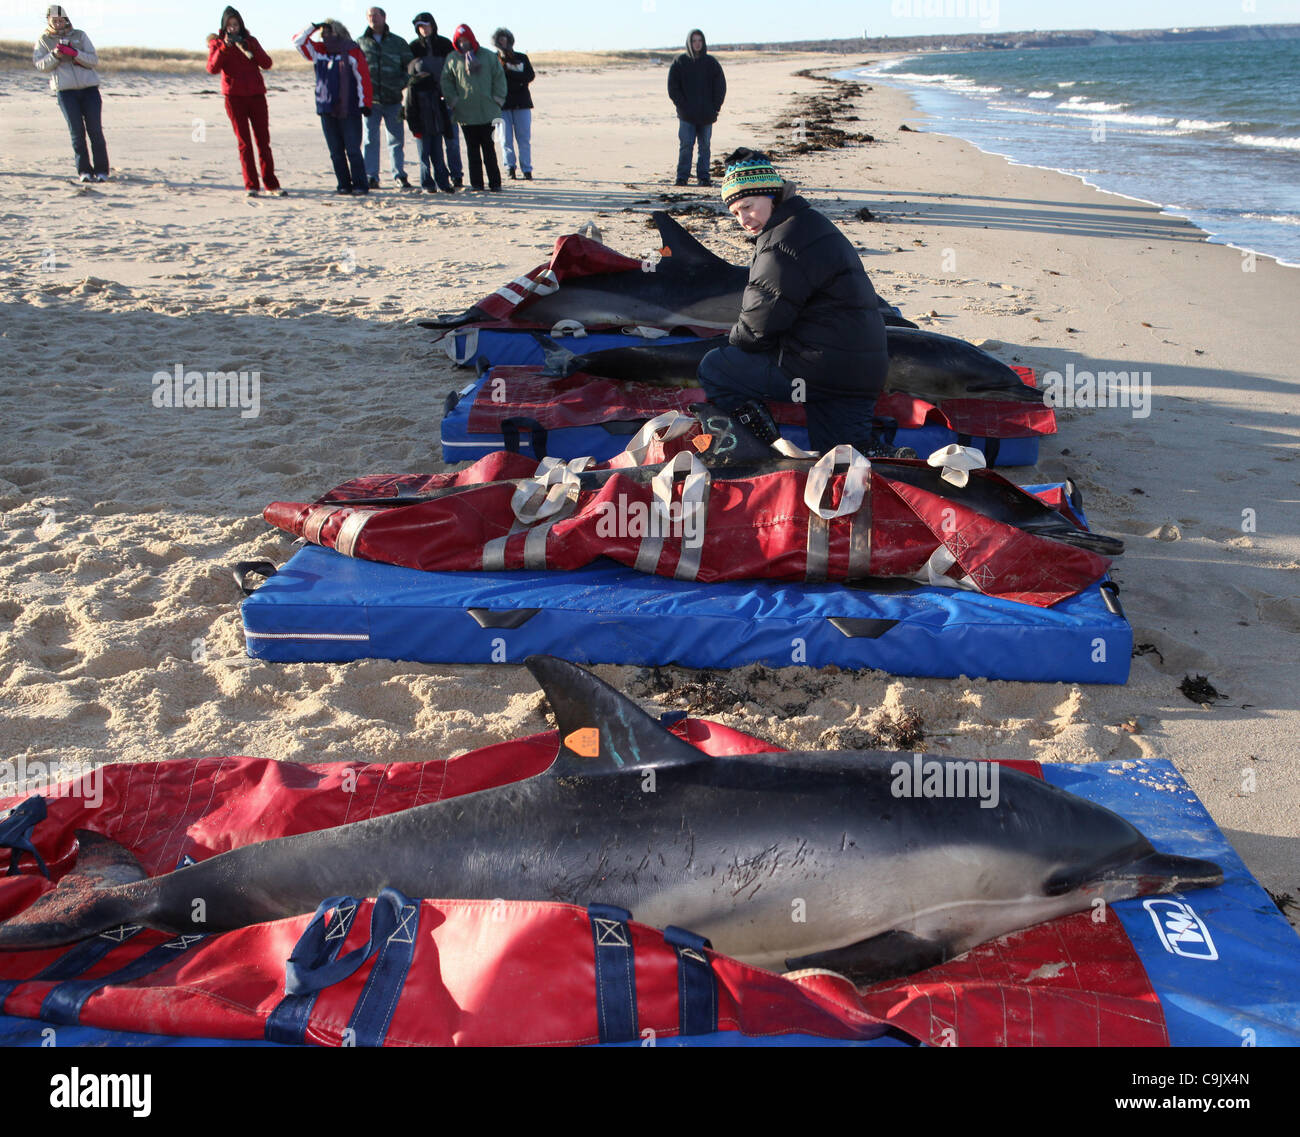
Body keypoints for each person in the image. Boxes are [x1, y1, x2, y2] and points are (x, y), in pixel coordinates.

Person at [697, 150, 913, 459]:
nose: (743, 219)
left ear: (770, 194)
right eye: (734, 213)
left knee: (716, 367)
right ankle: (882, 453)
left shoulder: (781, 243)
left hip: (819, 369)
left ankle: (760, 445)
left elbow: (760, 326)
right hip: (861, 371)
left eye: (747, 206)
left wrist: (732, 340)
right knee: (840, 453)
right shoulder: (809, 223)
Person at [206, 7, 282, 197]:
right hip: (234, 98)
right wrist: (224, 47)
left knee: (263, 142)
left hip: (256, 96)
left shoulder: (251, 41)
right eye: (229, 25)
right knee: (244, 143)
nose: (233, 28)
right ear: (225, 27)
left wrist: (250, 47)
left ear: (241, 25)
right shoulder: (217, 44)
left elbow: (267, 63)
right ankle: (251, 185)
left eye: (236, 24)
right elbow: (212, 68)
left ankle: (271, 184)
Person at [293, 20, 372, 195]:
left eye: (330, 33)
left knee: (353, 149)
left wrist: (364, 103)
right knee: (336, 151)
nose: (326, 37)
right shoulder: (319, 51)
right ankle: (343, 184)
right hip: (326, 107)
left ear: (339, 32)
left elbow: (362, 77)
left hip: (349, 108)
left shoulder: (352, 50)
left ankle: (360, 184)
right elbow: (298, 41)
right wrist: (312, 26)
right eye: (323, 34)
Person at [33, 4, 109, 183]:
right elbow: (40, 65)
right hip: (65, 92)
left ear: (66, 20)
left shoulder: (79, 35)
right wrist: (55, 55)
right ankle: (84, 171)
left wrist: (75, 53)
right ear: (49, 21)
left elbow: (93, 60)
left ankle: (102, 171)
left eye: (61, 20)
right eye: (55, 21)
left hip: (89, 90)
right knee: (76, 132)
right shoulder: (44, 39)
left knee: (95, 131)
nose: (59, 23)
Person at [440, 24, 505, 193]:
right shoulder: (453, 58)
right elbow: (446, 81)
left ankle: (495, 183)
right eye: (459, 40)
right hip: (465, 112)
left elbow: (499, 78)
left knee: (489, 148)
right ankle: (477, 183)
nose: (463, 43)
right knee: (472, 150)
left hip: (487, 111)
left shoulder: (488, 56)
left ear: (472, 38)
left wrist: (498, 100)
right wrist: (453, 100)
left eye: (466, 39)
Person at [358, 7, 412, 189]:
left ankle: (399, 175)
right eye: (370, 16)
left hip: (393, 100)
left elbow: (410, 67)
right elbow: (354, 70)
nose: (373, 19)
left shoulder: (397, 42)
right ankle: (371, 176)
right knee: (369, 140)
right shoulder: (361, 43)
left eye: (376, 15)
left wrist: (401, 83)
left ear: (384, 17)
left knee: (396, 140)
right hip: (370, 102)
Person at [405, 13, 460, 192]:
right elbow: (408, 74)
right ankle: (428, 182)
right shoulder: (412, 47)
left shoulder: (445, 45)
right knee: (427, 148)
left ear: (433, 25)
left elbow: (456, 71)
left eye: (426, 25)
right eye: (419, 26)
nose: (423, 29)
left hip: (446, 100)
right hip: (423, 103)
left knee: (451, 141)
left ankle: (456, 176)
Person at [667, 29, 725, 187]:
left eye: (699, 40)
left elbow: (720, 86)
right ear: (689, 43)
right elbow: (673, 87)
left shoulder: (711, 63)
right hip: (687, 114)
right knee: (686, 146)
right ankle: (682, 177)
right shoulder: (680, 62)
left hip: (707, 114)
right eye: (694, 41)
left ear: (703, 42)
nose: (697, 43)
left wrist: (715, 107)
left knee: (705, 147)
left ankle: (704, 177)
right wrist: (682, 105)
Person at [492, 28, 534, 181]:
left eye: (506, 39)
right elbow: (494, 80)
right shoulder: (493, 58)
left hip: (522, 104)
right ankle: (510, 168)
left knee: (523, 138)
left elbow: (529, 76)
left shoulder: (521, 57)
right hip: (502, 106)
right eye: (500, 40)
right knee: (505, 139)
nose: (503, 42)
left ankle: (527, 169)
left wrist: (510, 75)